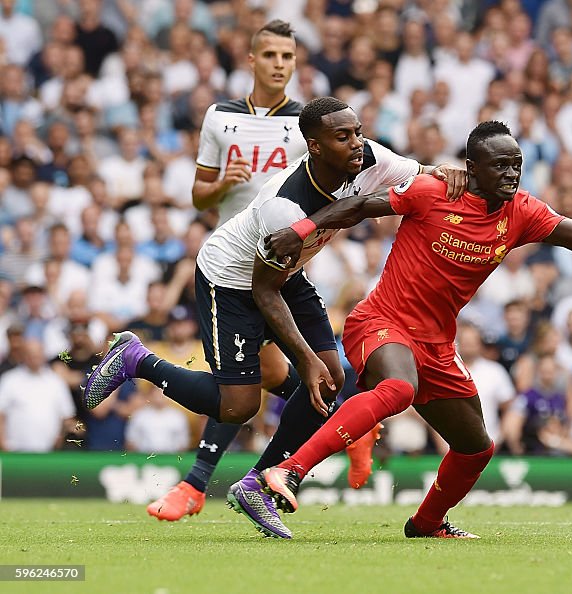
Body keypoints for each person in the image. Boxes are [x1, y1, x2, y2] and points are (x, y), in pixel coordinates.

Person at [251, 120, 572, 539]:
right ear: (472, 168)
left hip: (437, 343)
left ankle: (428, 523)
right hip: (381, 322)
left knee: (476, 448)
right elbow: (361, 205)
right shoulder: (432, 191)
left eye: (516, 164)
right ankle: (289, 470)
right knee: (399, 389)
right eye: (500, 165)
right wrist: (303, 228)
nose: (511, 173)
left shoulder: (521, 212)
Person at [82, 97, 466, 538]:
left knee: (331, 377)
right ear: (314, 147)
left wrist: (450, 172)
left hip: (286, 273)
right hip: (233, 280)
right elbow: (262, 289)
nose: (357, 143)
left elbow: (424, 175)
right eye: (343, 137)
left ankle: (258, 485)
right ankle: (135, 359)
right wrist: (304, 358)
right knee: (240, 405)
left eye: (357, 131)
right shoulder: (285, 206)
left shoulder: (370, 157)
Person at [146, 19, 312, 523]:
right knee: (256, 383)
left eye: (288, 56)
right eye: (271, 56)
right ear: (252, 60)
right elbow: (199, 195)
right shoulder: (221, 118)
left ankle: (198, 485)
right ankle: (204, 484)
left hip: (285, 267)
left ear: (295, 63)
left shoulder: (310, 122)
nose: (279, 64)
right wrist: (223, 184)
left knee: (271, 378)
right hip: (234, 265)